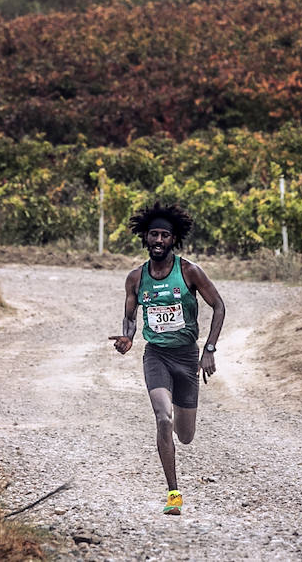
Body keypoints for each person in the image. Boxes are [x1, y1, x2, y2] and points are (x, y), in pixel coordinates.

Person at [110, 201, 225, 515]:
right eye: (153, 235)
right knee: (163, 418)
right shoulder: (136, 278)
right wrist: (127, 338)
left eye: (164, 235)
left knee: (185, 436)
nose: (158, 241)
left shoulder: (189, 271)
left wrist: (209, 350)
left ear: (174, 239)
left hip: (187, 358)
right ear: (145, 238)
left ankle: (175, 426)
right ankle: (174, 494)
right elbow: (131, 317)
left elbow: (219, 306)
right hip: (156, 356)